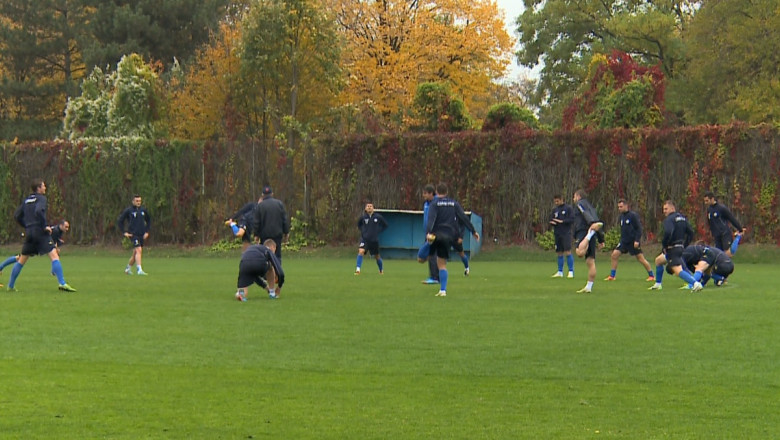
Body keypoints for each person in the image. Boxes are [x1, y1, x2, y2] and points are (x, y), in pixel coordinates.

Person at [5, 179, 76, 292]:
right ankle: (62, 283)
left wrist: (27, 226)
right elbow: (39, 211)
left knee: (22, 259)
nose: (45, 188)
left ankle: (11, 286)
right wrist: (44, 226)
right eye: (44, 186)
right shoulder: (41, 198)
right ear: (38, 188)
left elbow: (17, 216)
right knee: (54, 255)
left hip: (29, 232)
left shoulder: (26, 200)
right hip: (40, 231)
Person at [425, 183, 480, 297]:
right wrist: (473, 231)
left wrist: (428, 233)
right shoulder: (454, 203)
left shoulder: (434, 204)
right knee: (442, 263)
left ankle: (439, 284)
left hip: (438, 236)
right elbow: (464, 218)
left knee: (425, 258)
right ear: (447, 192)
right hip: (451, 236)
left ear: (436, 191)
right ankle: (443, 289)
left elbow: (431, 219)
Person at [648, 200, 700, 291]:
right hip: (679, 247)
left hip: (672, 248)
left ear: (672, 208)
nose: (664, 211)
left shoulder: (669, 219)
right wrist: (685, 244)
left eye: (666, 209)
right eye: (663, 209)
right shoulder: (682, 218)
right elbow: (691, 232)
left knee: (677, 270)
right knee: (658, 261)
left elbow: (668, 232)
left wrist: (665, 244)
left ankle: (695, 283)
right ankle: (658, 284)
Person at [605, 199, 655, 281]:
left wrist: (637, 240)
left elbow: (639, 229)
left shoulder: (633, 215)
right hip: (624, 242)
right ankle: (612, 276)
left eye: (621, 207)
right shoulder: (621, 217)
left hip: (633, 242)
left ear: (626, 206)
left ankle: (651, 276)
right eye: (618, 207)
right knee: (614, 255)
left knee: (641, 259)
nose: (619, 208)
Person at [572, 189, 604, 293]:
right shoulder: (591, 206)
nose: (573, 199)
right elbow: (596, 222)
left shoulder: (580, 204)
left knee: (580, 252)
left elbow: (586, 215)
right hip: (593, 230)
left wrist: (590, 226)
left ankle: (589, 235)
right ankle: (589, 287)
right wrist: (601, 239)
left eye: (574, 196)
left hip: (583, 230)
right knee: (590, 261)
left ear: (578, 196)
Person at [252, 186, 290, 261]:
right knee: (277, 256)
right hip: (277, 235)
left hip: (264, 236)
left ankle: (267, 271)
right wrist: (286, 232)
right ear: (272, 194)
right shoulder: (279, 204)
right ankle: (277, 271)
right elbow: (284, 220)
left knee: (265, 256)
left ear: (262, 195)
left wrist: (256, 235)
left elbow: (257, 222)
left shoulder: (260, 206)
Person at [703, 191, 745, 256]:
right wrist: (710, 232)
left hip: (724, 233)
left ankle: (738, 237)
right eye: (705, 201)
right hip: (716, 236)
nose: (705, 203)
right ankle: (722, 266)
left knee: (728, 254)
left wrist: (740, 229)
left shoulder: (721, 208)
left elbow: (731, 218)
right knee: (719, 255)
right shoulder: (709, 210)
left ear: (712, 199)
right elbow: (710, 222)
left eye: (707, 200)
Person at [117, 195, 151, 275]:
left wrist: (146, 231)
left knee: (135, 254)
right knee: (139, 250)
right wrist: (124, 232)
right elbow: (120, 221)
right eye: (137, 201)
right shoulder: (129, 210)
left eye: (139, 201)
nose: (138, 202)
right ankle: (139, 270)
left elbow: (149, 221)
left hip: (141, 234)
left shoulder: (143, 210)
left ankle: (127, 269)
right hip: (133, 235)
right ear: (133, 201)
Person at [355, 201, 388, 275]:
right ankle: (358, 270)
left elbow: (385, 225)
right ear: (365, 209)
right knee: (361, 251)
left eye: (371, 206)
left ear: (373, 208)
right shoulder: (363, 217)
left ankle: (381, 270)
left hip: (374, 240)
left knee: (377, 256)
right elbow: (359, 225)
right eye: (368, 206)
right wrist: (363, 231)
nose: (369, 207)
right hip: (365, 239)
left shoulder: (378, 217)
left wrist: (378, 231)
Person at [549, 194, 575, 278]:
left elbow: (571, 220)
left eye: (557, 201)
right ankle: (560, 272)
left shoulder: (568, 208)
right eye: (555, 201)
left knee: (567, 251)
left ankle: (571, 271)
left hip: (566, 233)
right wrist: (552, 222)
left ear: (561, 200)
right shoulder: (555, 210)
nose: (556, 203)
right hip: (557, 233)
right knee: (559, 252)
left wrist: (562, 221)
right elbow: (551, 219)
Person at [419, 184, 439, 284]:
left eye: (425, 193)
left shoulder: (436, 202)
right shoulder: (426, 203)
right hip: (428, 233)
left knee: (432, 254)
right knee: (422, 258)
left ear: (431, 193)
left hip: (435, 232)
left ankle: (435, 277)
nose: (424, 195)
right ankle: (435, 275)